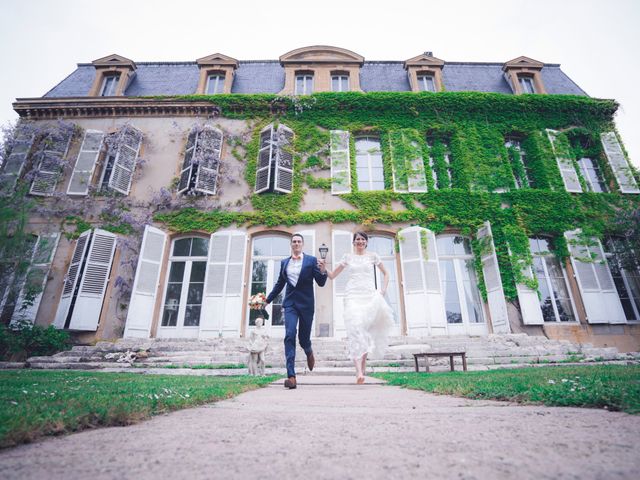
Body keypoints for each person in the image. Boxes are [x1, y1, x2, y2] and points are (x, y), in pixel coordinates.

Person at [324, 231, 394, 384]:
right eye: (357, 239)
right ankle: (358, 371)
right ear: (353, 242)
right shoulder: (347, 257)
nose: (360, 241)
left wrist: (383, 290)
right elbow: (332, 275)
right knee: (355, 330)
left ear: (366, 242)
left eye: (363, 239)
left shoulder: (373, 256)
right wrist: (323, 268)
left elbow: (386, 273)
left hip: (369, 296)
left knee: (365, 333)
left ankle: (363, 367)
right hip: (352, 296)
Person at [266, 233, 328, 389]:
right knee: (289, 335)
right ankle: (291, 377)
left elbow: (320, 283)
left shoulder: (311, 261)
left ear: (302, 244)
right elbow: (280, 284)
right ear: (291, 244)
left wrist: (323, 270)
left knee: (303, 338)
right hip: (290, 304)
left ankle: (308, 351)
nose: (296, 244)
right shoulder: (284, 263)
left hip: (306, 305)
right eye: (294, 241)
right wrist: (267, 301)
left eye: (299, 241)